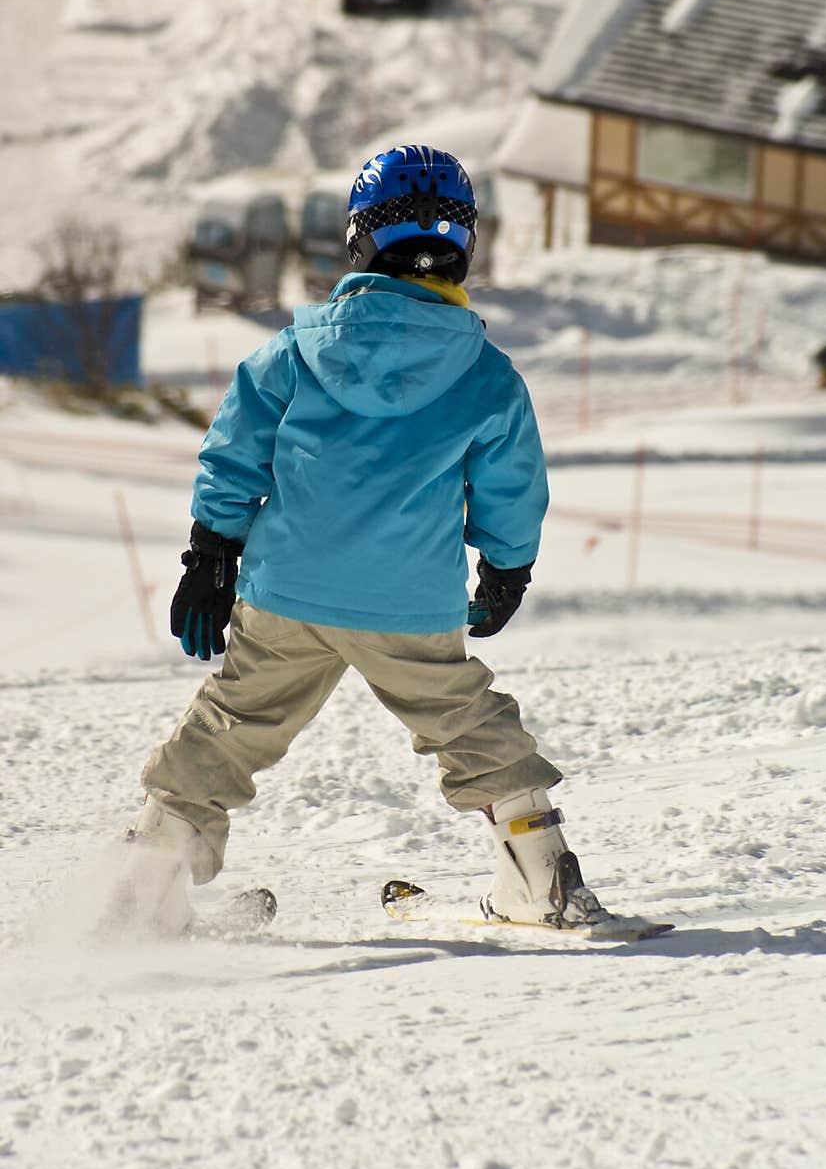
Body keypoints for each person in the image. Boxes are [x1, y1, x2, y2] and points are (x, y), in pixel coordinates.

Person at [123, 144, 614, 937]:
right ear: (463, 247)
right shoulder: (486, 374)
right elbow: (511, 485)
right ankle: (542, 875)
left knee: (233, 723)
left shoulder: (292, 353)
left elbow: (234, 450)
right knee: (467, 720)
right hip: (407, 603)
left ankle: (146, 885)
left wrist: (210, 551)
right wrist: (506, 565)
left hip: (286, 591)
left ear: (358, 241)